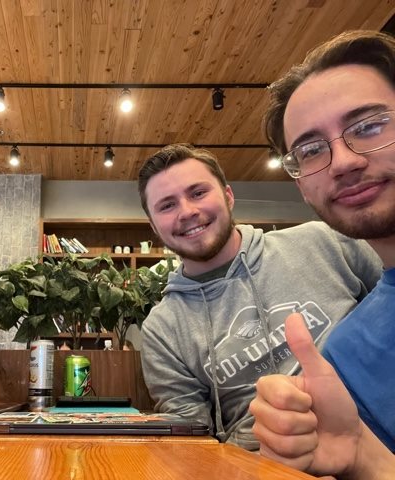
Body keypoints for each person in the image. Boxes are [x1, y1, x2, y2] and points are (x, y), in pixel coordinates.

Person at [137, 143, 382, 450]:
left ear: (228, 196)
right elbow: (191, 438)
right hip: (263, 463)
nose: (188, 212)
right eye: (167, 205)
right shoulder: (163, 329)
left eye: (198, 192)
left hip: (377, 437)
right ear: (154, 227)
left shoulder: (323, 242)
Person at [249, 30, 395, 478]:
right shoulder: (345, 355)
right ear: (300, 182)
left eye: (369, 126)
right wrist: (365, 460)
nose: (343, 161)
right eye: (311, 150)